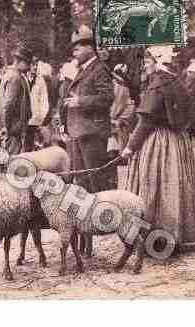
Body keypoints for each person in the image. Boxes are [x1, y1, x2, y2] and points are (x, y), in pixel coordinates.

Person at [122, 46, 195, 255]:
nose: (145, 66)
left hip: (159, 141)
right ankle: (176, 234)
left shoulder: (157, 86)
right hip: (177, 142)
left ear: (158, 62)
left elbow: (146, 122)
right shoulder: (177, 82)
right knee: (175, 187)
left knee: (155, 186)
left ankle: (156, 237)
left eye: (147, 62)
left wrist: (129, 147)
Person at [60, 26, 115, 257]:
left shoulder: (99, 69)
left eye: (78, 46)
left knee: (92, 185)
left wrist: (81, 101)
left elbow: (107, 98)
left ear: (90, 48)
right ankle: (84, 238)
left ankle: (94, 232)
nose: (74, 51)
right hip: (77, 134)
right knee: (79, 186)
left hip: (91, 135)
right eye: (74, 47)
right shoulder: (82, 70)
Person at [0, 46, 34, 155]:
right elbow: (8, 105)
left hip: (8, 128)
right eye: (28, 63)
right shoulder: (15, 78)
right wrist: (6, 127)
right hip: (12, 130)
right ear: (19, 61)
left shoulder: (10, 75)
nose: (30, 67)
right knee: (11, 160)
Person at [25, 55, 51, 151]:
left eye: (36, 65)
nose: (35, 67)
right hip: (22, 120)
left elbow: (44, 100)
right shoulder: (22, 78)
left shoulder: (40, 80)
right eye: (32, 65)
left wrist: (41, 117)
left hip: (35, 119)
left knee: (33, 145)